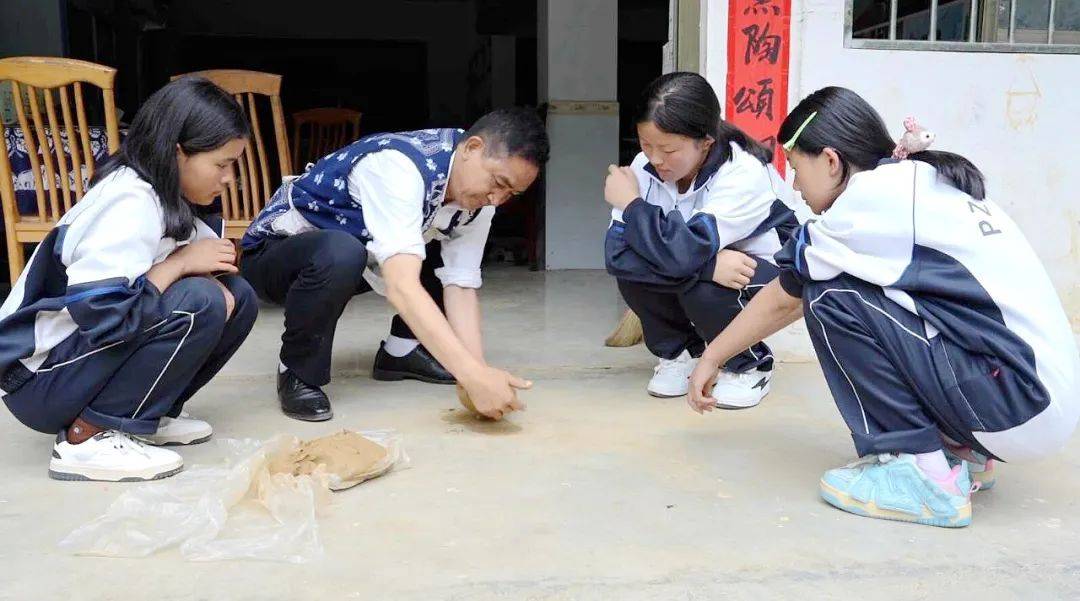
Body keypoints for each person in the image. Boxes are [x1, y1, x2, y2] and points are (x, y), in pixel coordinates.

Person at [688, 86, 1079, 527]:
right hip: (1035, 399)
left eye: (797, 170)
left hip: (1014, 404)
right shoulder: (916, 181)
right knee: (880, 294)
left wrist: (713, 356)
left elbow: (786, 296)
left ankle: (919, 470)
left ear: (831, 161)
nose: (795, 187)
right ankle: (959, 449)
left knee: (831, 295)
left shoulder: (864, 204)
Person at [0, 77, 258, 481]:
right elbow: (103, 315)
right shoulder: (130, 199)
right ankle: (89, 437)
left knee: (236, 295)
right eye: (221, 164)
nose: (228, 178)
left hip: (70, 364)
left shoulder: (168, 194)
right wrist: (179, 265)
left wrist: (202, 265)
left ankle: (142, 416)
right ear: (177, 154)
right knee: (200, 300)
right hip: (36, 380)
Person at [240, 108, 550, 421]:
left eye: (512, 192)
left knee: (426, 246)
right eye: (498, 182)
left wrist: (476, 371)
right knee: (342, 251)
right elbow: (402, 287)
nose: (498, 199)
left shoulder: (478, 203)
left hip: (357, 259)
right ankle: (297, 371)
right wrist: (472, 375)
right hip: (276, 256)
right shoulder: (400, 168)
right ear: (472, 148)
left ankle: (401, 351)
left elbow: (461, 283)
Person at [604, 72, 797, 408]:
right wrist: (706, 266)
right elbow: (617, 256)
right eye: (646, 144)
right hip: (716, 265)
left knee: (703, 285)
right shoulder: (643, 168)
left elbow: (684, 253)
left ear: (705, 142)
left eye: (668, 149)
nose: (655, 159)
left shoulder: (743, 172)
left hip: (772, 274)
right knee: (635, 275)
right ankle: (683, 353)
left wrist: (632, 206)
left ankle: (750, 363)